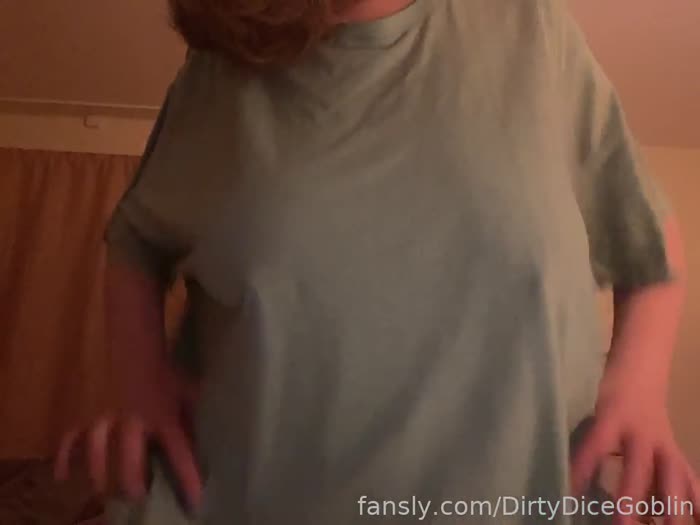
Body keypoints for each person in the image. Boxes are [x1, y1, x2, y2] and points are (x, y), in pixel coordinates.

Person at [54, 0, 698, 523]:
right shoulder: (219, 74)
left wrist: (639, 385)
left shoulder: (530, 28)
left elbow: (648, 238)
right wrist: (140, 383)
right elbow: (137, 240)